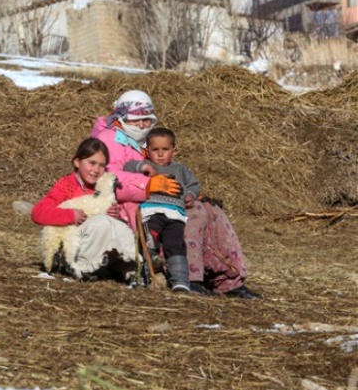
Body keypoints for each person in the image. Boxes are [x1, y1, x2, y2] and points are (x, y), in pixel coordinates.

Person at [91, 89, 262, 299]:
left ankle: (228, 279)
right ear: (122, 116)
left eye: (147, 119)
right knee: (192, 214)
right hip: (133, 206)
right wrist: (148, 185)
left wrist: (187, 192)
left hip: (158, 198)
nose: (143, 125)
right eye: (137, 120)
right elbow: (107, 177)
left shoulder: (144, 140)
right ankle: (190, 277)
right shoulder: (110, 139)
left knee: (210, 211)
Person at [31, 137, 137, 282]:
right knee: (101, 223)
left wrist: (114, 216)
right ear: (77, 162)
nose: (96, 170)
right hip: (69, 246)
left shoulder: (103, 188)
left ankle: (132, 265)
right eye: (91, 163)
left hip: (95, 246)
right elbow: (38, 213)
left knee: (117, 226)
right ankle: (80, 267)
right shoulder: (67, 185)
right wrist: (70, 215)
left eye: (102, 165)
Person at [124, 127, 199, 293]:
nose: (160, 154)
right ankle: (141, 276)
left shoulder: (180, 169)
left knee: (176, 245)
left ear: (174, 150)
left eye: (165, 149)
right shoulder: (147, 166)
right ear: (147, 151)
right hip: (151, 211)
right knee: (148, 241)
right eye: (155, 149)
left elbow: (194, 185)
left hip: (175, 214)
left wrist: (190, 195)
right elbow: (127, 168)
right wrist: (141, 166)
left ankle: (180, 281)